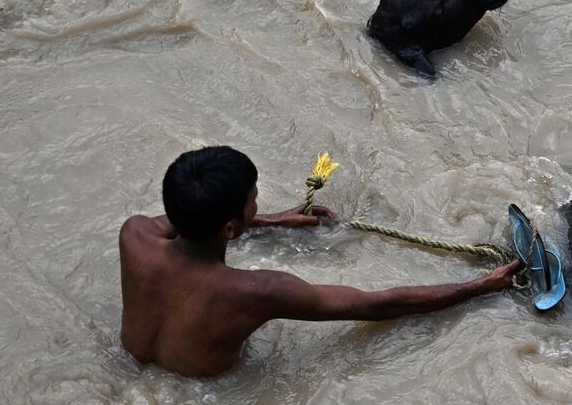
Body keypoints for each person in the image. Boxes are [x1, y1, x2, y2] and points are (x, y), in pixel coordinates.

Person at [119, 146, 524, 378]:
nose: (257, 203)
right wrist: (479, 287)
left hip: (130, 366)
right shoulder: (257, 291)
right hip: (210, 391)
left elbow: (179, 221)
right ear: (228, 227)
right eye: (253, 200)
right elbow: (373, 305)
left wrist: (271, 220)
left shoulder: (135, 235)